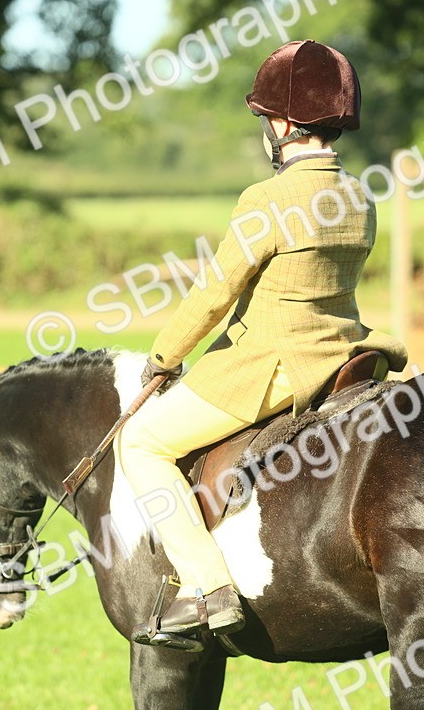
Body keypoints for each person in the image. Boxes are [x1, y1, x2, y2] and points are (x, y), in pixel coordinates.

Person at [114, 39, 408, 645]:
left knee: (141, 443)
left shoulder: (267, 200)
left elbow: (214, 294)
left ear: (282, 122)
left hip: (272, 365)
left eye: (265, 118)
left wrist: (163, 357)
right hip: (347, 353)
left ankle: (206, 588)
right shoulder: (359, 194)